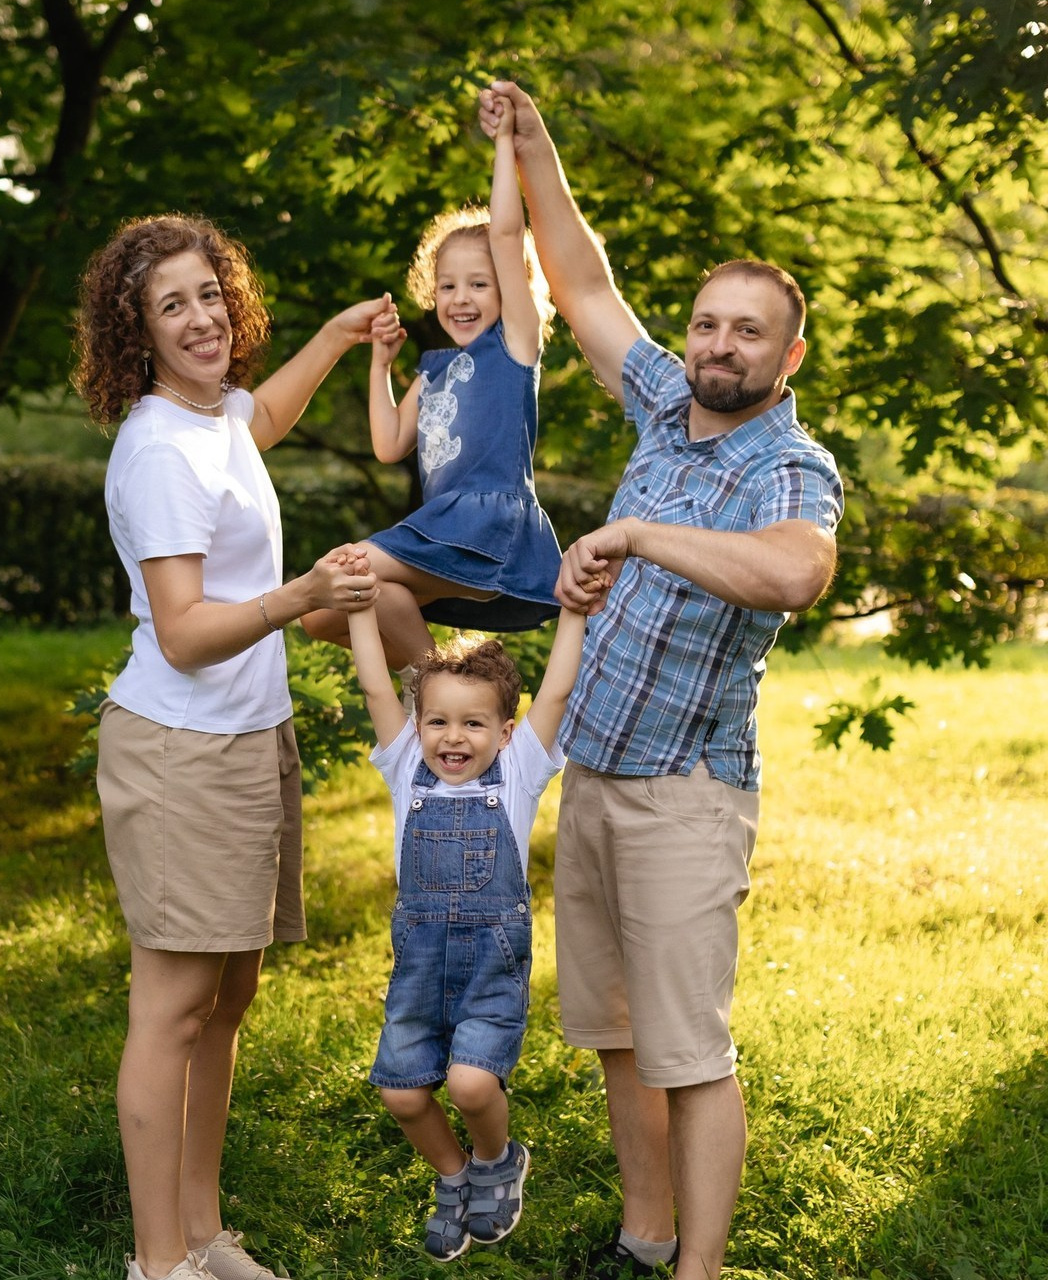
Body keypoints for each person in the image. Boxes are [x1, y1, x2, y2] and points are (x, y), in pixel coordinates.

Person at [478, 84, 845, 1280]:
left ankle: (697, 1271)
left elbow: (793, 572)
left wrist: (634, 537)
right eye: (703, 324)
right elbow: (581, 286)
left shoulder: (788, 463)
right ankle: (642, 1241)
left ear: (786, 357)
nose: (716, 346)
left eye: (745, 332)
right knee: (618, 1039)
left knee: (690, 1050)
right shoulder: (658, 407)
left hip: (686, 793)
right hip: (593, 779)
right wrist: (530, 148)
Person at [73, 212, 391, 1280]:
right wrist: (297, 596)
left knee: (230, 993)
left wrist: (340, 338)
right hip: (180, 751)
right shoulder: (158, 447)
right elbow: (184, 630)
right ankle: (157, 1261)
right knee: (171, 1007)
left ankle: (204, 1231)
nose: (201, 317)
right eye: (173, 305)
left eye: (210, 294)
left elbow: (260, 419)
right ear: (139, 330)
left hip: (251, 738)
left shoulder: (210, 420)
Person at [347, 590, 600, 1262]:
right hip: (420, 969)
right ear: (416, 724)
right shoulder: (405, 768)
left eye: (473, 725)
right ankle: (454, 1176)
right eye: (436, 721)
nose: (452, 738)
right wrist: (354, 614)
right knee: (401, 1093)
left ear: (506, 734)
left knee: (471, 1084)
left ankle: (495, 1160)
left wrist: (572, 613)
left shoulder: (518, 774)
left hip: (490, 966)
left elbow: (556, 689)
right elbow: (375, 684)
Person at [301, 89, 562, 681]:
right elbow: (390, 443)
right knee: (324, 612)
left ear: (511, 290)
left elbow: (504, 233)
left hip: (487, 528)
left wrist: (503, 143)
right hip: (440, 525)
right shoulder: (435, 369)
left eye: (479, 285)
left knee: (335, 574)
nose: (461, 299)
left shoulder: (514, 348)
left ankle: (442, 695)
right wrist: (379, 365)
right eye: (447, 286)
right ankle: (441, 688)